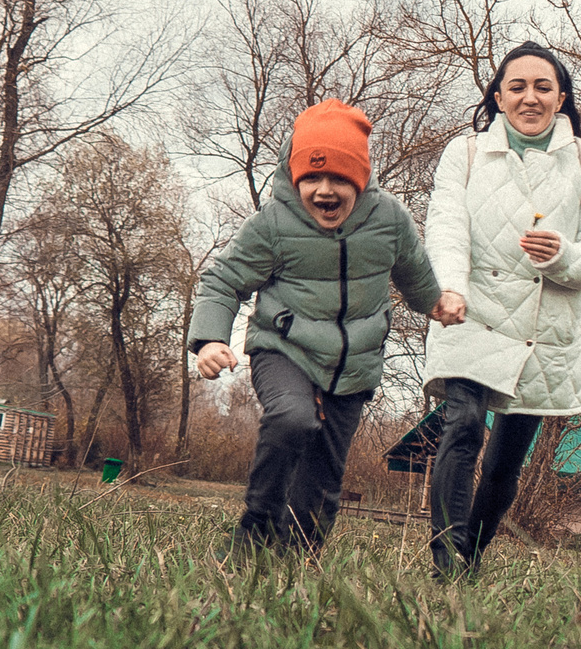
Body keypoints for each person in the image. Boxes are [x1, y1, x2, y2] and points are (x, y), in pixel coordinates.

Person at [190, 100, 450, 554]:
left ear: (361, 179)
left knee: (324, 474)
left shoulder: (389, 219)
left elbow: (414, 272)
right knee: (292, 419)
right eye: (311, 177)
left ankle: (298, 555)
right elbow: (223, 279)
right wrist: (210, 338)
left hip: (355, 363)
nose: (324, 190)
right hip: (284, 348)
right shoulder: (273, 223)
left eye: (339, 179)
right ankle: (256, 528)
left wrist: (436, 303)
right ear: (295, 177)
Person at [420, 43, 581, 578]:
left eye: (543, 87)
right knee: (461, 425)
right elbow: (445, 228)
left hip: (543, 329)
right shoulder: (463, 154)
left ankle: (473, 554)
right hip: (472, 310)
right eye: (517, 87)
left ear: (562, 97)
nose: (530, 97)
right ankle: (445, 559)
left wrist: (562, 256)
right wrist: (450, 288)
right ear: (498, 96)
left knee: (507, 459)